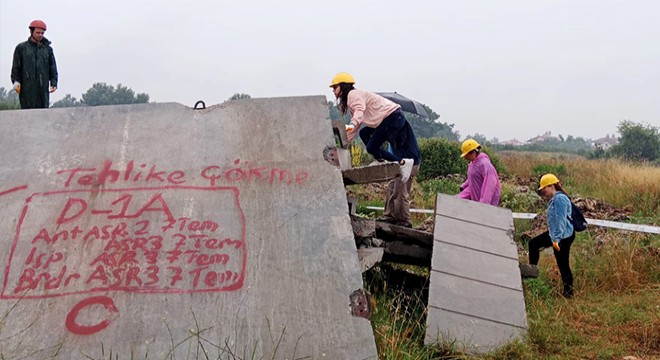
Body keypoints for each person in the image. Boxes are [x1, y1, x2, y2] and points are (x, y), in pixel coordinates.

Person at [330, 72, 421, 228]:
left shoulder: (353, 94)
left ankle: (404, 220)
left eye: (335, 87)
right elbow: (357, 127)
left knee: (374, 149)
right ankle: (389, 215)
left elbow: (359, 111)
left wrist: (353, 122)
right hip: (391, 119)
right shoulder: (353, 98)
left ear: (343, 86)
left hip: (393, 118)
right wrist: (344, 144)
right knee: (366, 134)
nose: (333, 90)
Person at [520, 174, 576, 298]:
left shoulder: (559, 199)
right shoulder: (556, 198)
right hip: (556, 234)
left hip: (562, 237)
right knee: (533, 244)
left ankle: (568, 293)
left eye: (544, 188)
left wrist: (555, 240)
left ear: (551, 186)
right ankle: (532, 272)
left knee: (563, 264)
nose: (543, 192)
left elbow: (561, 221)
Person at [11, 20, 58, 109]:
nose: (40, 35)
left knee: (43, 113)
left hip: (42, 88)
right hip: (27, 88)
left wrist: (54, 82)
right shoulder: (21, 48)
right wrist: (16, 81)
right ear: (31, 32)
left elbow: (52, 67)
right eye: (38, 32)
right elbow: (16, 67)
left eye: (42, 33)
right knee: (27, 113)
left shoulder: (48, 50)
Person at [457, 139, 501, 206]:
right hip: (477, 201)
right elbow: (472, 178)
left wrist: (483, 204)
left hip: (487, 206)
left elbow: (490, 184)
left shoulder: (485, 164)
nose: (465, 157)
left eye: (466, 155)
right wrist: (464, 185)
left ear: (473, 153)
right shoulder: (473, 164)